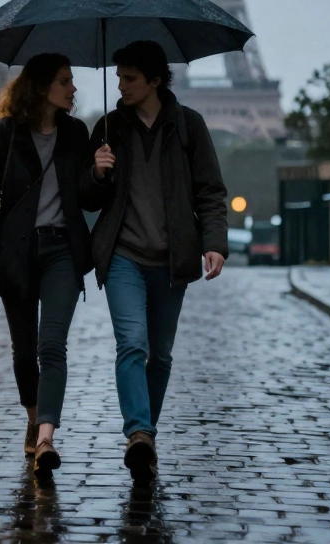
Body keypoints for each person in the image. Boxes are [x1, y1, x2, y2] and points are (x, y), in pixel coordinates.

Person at [87, 40, 229, 490]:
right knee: (132, 343)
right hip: (124, 255)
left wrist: (215, 243)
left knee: (160, 354)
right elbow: (87, 199)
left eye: (130, 78)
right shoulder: (107, 128)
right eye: (119, 77)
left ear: (154, 80)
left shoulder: (189, 126)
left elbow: (210, 191)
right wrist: (97, 172)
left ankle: (144, 436)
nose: (121, 85)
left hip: (171, 259)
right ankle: (139, 434)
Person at [0, 53, 101, 478]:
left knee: (51, 345)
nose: (73, 88)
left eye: (72, 80)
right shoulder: (6, 135)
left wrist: (100, 173)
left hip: (62, 252)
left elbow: (89, 199)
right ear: (41, 87)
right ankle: (35, 417)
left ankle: (46, 438)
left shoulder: (76, 133)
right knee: (23, 350)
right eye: (64, 81)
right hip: (15, 253)